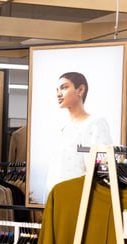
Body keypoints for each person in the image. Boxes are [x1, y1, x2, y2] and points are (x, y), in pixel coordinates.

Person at [44, 71, 112, 200]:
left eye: (64, 88)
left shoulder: (95, 124)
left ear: (80, 89)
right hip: (56, 196)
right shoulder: (61, 128)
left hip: (79, 198)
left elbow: (100, 170)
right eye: (57, 90)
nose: (58, 94)